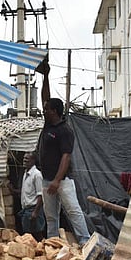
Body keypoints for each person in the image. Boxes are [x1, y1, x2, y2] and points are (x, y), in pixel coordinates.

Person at [35, 57, 92, 245]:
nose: (44, 111)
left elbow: (66, 157)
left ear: (55, 111)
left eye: (47, 109)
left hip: (63, 180)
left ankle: (84, 241)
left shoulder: (64, 130)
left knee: (73, 210)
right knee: (51, 216)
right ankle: (53, 243)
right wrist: (45, 77)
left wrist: (57, 181)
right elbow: (46, 97)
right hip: (47, 178)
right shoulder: (48, 125)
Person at [19, 151, 45, 239]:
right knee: (28, 236)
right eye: (24, 158)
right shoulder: (26, 174)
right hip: (26, 210)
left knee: (37, 234)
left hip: (33, 209)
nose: (24, 160)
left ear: (33, 161)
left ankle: (45, 249)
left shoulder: (37, 175)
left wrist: (35, 212)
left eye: (27, 159)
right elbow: (26, 191)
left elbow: (40, 195)